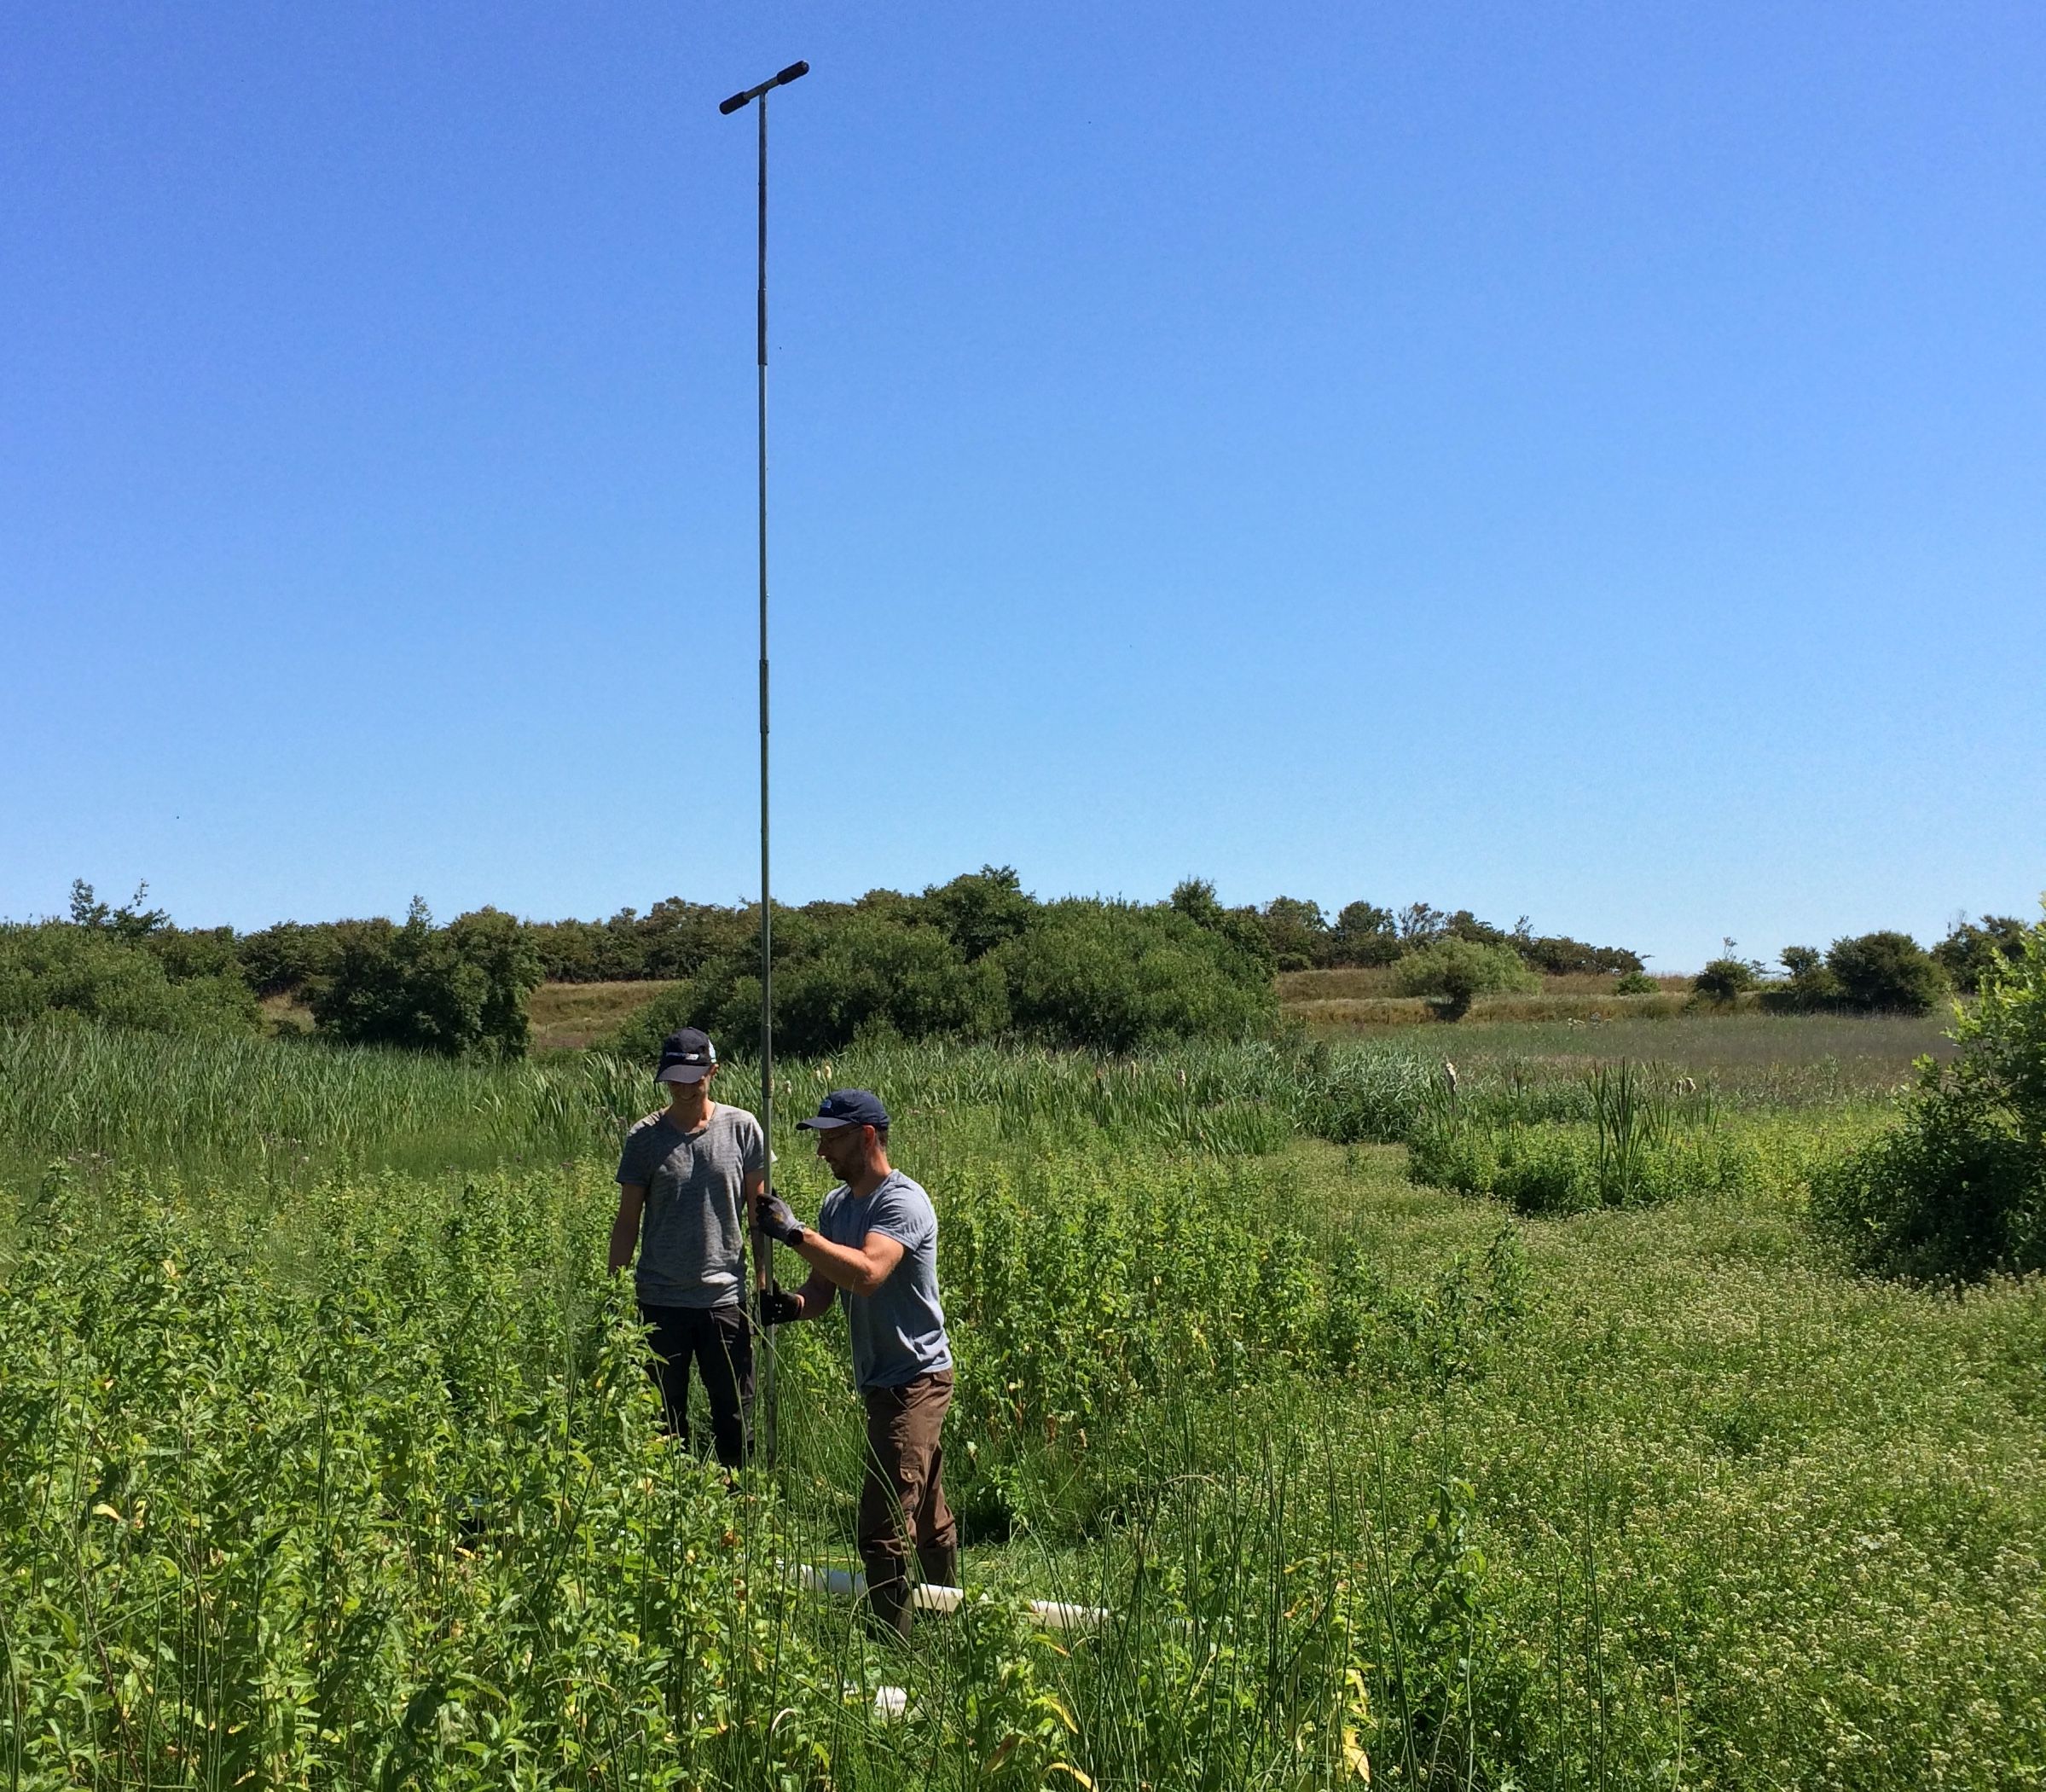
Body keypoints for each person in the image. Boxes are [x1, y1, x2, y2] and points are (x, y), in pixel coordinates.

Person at [756, 1088, 958, 1637]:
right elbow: (826, 1290)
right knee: (929, 1516)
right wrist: (792, 1305)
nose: (822, 1150)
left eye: (832, 1137)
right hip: (880, 1381)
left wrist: (795, 1234)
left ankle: (890, 1641)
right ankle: (951, 1621)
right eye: (819, 1137)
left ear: (867, 1136)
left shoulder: (902, 1202)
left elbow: (867, 1274)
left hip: (916, 1378)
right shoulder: (837, 1206)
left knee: (885, 1517)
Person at [609, 1027, 767, 1470]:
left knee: (735, 1415)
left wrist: (762, 1278)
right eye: (672, 1077)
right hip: (660, 1300)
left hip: (725, 1298)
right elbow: (627, 1223)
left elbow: (759, 1214)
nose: (681, 1085)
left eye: (690, 1075)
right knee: (662, 1419)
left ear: (712, 1072)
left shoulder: (742, 1128)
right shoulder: (644, 1138)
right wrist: (614, 1292)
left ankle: (740, 1504)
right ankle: (667, 1506)